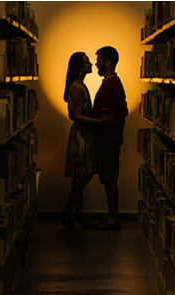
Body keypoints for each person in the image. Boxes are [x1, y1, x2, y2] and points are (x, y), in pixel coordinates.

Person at [60, 52, 107, 230]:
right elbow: (76, 116)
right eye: (87, 62)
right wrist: (99, 122)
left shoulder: (80, 85)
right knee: (84, 175)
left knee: (80, 176)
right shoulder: (77, 87)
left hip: (84, 133)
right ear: (79, 67)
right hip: (81, 135)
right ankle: (67, 212)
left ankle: (78, 214)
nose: (92, 65)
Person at [91, 45, 127, 231]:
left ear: (107, 62)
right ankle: (111, 216)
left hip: (108, 139)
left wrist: (90, 121)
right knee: (109, 177)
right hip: (111, 137)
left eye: (99, 60)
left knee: (110, 178)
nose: (96, 63)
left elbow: (108, 115)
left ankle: (113, 218)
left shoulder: (110, 84)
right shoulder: (113, 82)